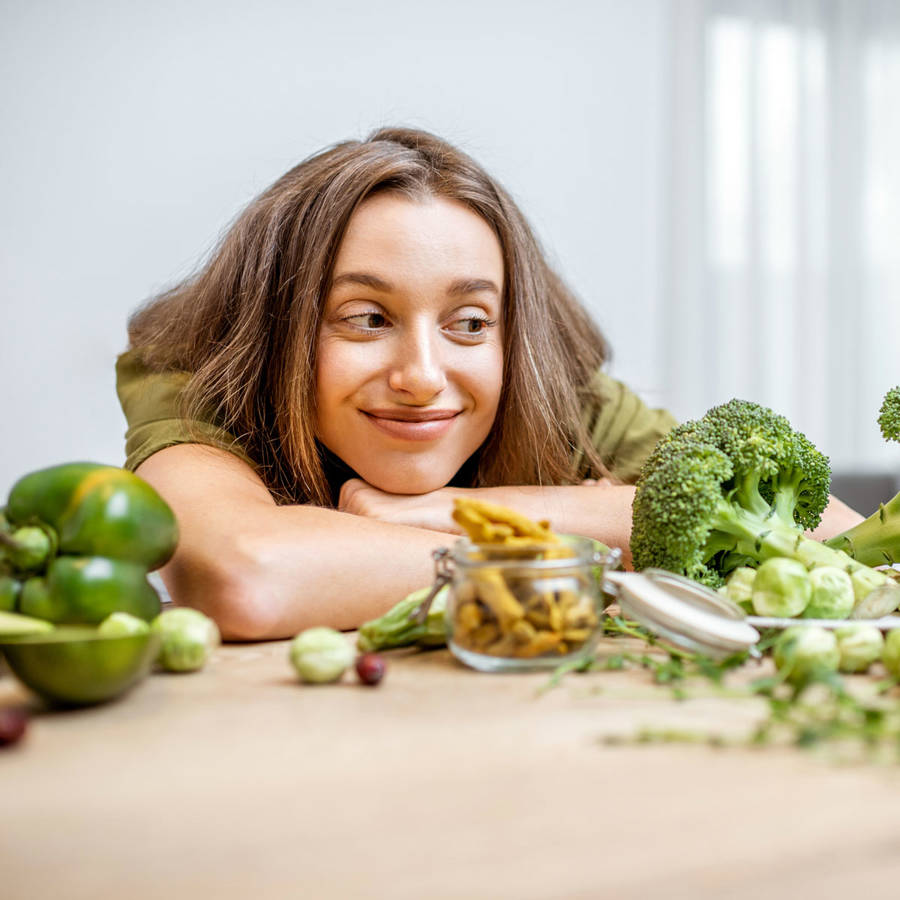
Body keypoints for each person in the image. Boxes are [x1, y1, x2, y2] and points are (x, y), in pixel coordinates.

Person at [116, 127, 860, 640]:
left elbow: (837, 538)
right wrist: (588, 540)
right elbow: (246, 575)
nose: (422, 377)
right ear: (279, 324)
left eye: (469, 323)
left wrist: (455, 512)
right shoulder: (195, 376)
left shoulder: (557, 396)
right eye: (367, 318)